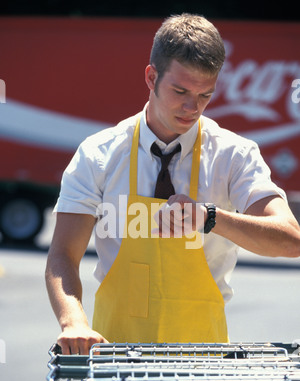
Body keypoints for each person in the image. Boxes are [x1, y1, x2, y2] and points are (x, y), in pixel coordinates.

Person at [45, 13, 300, 355]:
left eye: (205, 95)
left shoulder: (234, 155)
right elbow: (62, 254)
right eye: (180, 91)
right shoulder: (99, 154)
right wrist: (73, 321)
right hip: (114, 357)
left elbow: (290, 240)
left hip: (204, 364)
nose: (191, 107)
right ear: (151, 77)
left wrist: (210, 218)